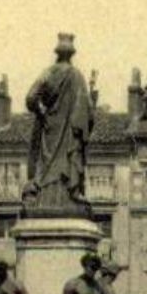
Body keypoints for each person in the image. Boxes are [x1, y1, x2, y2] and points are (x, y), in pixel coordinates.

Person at [24, 32, 94, 215]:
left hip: (50, 131)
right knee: (68, 164)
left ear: (57, 53)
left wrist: (43, 113)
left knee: (47, 167)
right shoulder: (77, 76)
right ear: (72, 54)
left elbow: (31, 98)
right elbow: (88, 111)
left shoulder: (48, 73)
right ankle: (71, 195)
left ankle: (45, 200)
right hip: (71, 133)